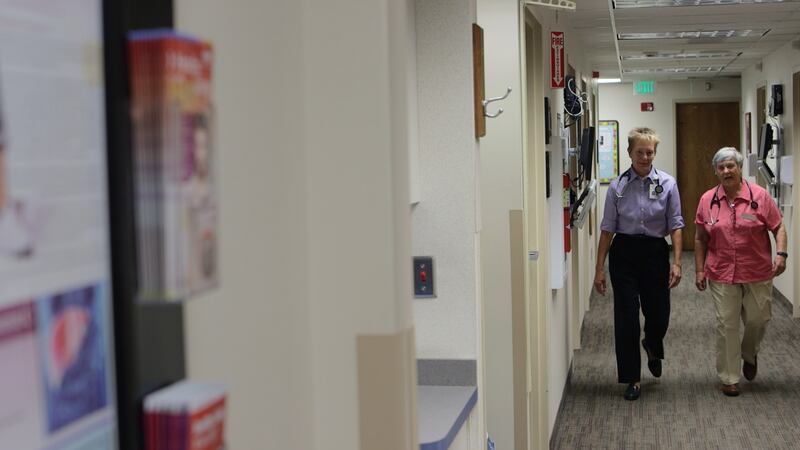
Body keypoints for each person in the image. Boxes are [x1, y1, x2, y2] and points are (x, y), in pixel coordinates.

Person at [594, 127, 684, 401]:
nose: (645, 157)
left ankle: (653, 343)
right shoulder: (618, 187)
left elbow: (676, 225)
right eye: (640, 152)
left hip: (655, 252)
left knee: (659, 313)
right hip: (624, 253)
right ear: (630, 153)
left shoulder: (667, 183)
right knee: (626, 317)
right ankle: (632, 378)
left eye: (650, 152)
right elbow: (607, 229)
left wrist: (677, 262)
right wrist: (599, 269)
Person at [694, 147, 787, 397]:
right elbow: (701, 239)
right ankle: (729, 377)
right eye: (721, 167)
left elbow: (778, 228)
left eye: (730, 166)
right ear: (716, 171)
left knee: (759, 319)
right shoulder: (707, 200)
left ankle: (749, 353)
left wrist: (781, 254)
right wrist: (699, 271)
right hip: (721, 272)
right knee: (727, 324)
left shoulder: (760, 196)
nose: (726, 171)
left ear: (739, 168)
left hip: (757, 271)